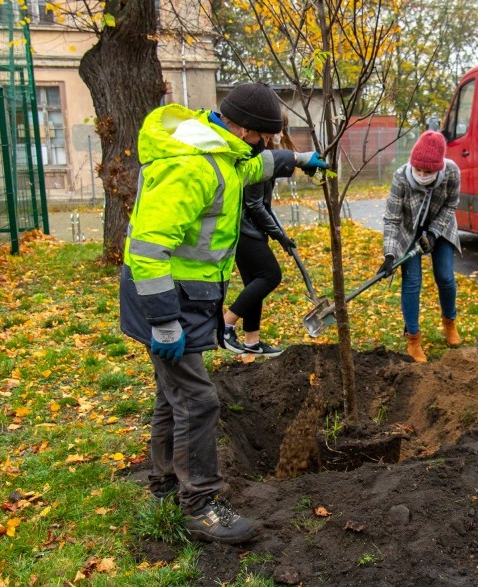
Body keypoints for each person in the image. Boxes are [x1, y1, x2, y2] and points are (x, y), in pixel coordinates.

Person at [119, 82, 314, 544]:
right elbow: (148, 251)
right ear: (243, 127)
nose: (267, 145)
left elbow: (245, 170)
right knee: (198, 400)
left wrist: (297, 161)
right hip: (166, 297)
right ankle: (200, 506)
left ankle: (166, 483)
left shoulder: (215, 151)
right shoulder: (192, 166)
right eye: (266, 137)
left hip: (182, 295)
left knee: (173, 394)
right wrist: (165, 320)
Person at [222, 113, 326, 356]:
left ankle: (251, 342)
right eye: (272, 131)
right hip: (246, 230)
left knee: (253, 283)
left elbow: (265, 206)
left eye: (280, 130)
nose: (277, 136)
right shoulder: (257, 156)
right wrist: (279, 236)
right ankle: (226, 324)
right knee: (270, 275)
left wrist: (281, 234)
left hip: (248, 228)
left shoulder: (266, 154)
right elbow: (256, 206)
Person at [376, 130, 462, 363]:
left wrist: (434, 233)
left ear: (439, 167)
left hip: (441, 227)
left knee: (445, 277)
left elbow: (451, 205)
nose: (422, 175)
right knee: (412, 281)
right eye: (419, 170)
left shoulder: (452, 171)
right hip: (408, 229)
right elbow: (392, 219)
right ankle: (413, 338)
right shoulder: (401, 177)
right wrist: (390, 255)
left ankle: (449, 322)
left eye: (428, 172)